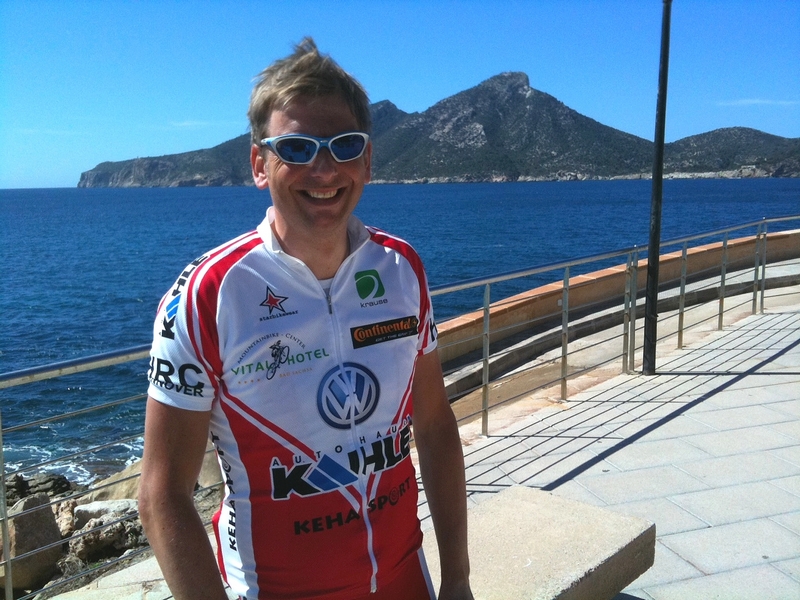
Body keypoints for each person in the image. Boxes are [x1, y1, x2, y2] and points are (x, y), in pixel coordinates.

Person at [138, 38, 473, 600]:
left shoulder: (402, 268)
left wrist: (458, 579)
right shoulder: (207, 294)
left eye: (345, 146)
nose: (324, 168)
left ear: (367, 161)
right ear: (259, 165)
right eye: (295, 148)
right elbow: (161, 494)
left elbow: (435, 427)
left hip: (404, 579)